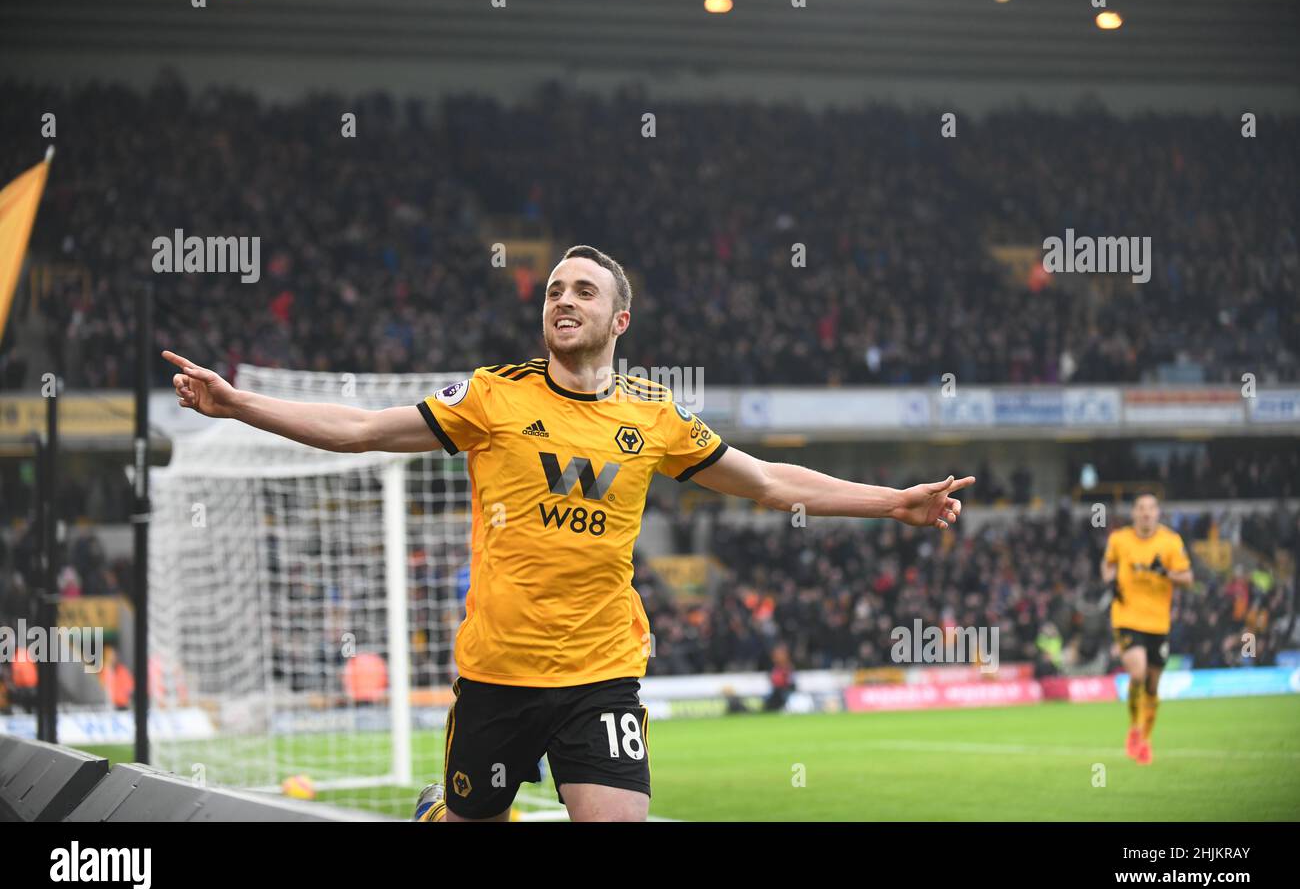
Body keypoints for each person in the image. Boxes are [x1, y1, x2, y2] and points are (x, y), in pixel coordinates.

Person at [164, 244, 973, 822]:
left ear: (618, 317)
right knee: (469, 818)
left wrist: (892, 502)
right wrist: (239, 405)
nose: (563, 300)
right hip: (499, 673)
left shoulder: (654, 415)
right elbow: (361, 429)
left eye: (582, 290)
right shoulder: (493, 398)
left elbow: (766, 481)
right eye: (554, 289)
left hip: (601, 672)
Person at [1100, 493, 1193, 765]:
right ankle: (1133, 727)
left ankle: (1145, 740)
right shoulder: (1119, 539)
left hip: (1158, 623)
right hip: (1126, 617)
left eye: (1151, 508)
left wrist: (1164, 572)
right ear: (1134, 513)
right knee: (1138, 672)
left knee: (1152, 686)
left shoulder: (1171, 542)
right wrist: (1110, 580)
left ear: (1157, 513)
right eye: (1141, 508)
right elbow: (1107, 565)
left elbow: (1187, 578)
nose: (1146, 513)